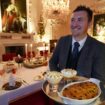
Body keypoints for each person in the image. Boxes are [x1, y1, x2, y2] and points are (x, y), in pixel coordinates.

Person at [49, 5, 105, 83]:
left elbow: (99, 79)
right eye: (72, 20)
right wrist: (58, 77)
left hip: (83, 93)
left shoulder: (100, 48)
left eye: (80, 20)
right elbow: (52, 62)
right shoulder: (62, 40)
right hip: (60, 90)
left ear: (89, 24)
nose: (74, 24)